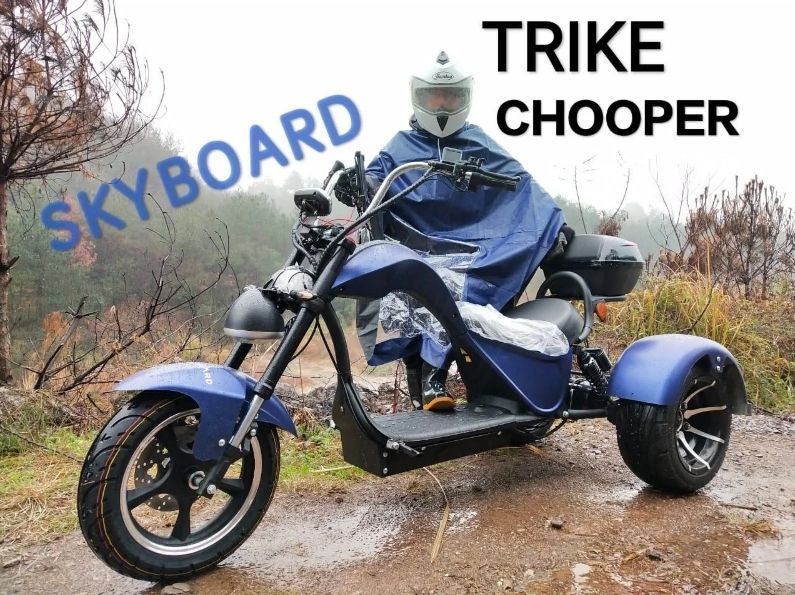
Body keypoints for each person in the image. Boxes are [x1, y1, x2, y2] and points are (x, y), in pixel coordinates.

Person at [336, 51, 568, 411]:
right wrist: (355, 183)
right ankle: (421, 389)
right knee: (403, 288)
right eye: (434, 97)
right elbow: (375, 179)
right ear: (419, 97)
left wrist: (553, 224)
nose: (442, 104)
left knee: (450, 288)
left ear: (464, 98)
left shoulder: (479, 142)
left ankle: (437, 378)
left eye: (450, 97)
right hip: (412, 246)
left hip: (469, 250)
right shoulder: (400, 145)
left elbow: (522, 185)